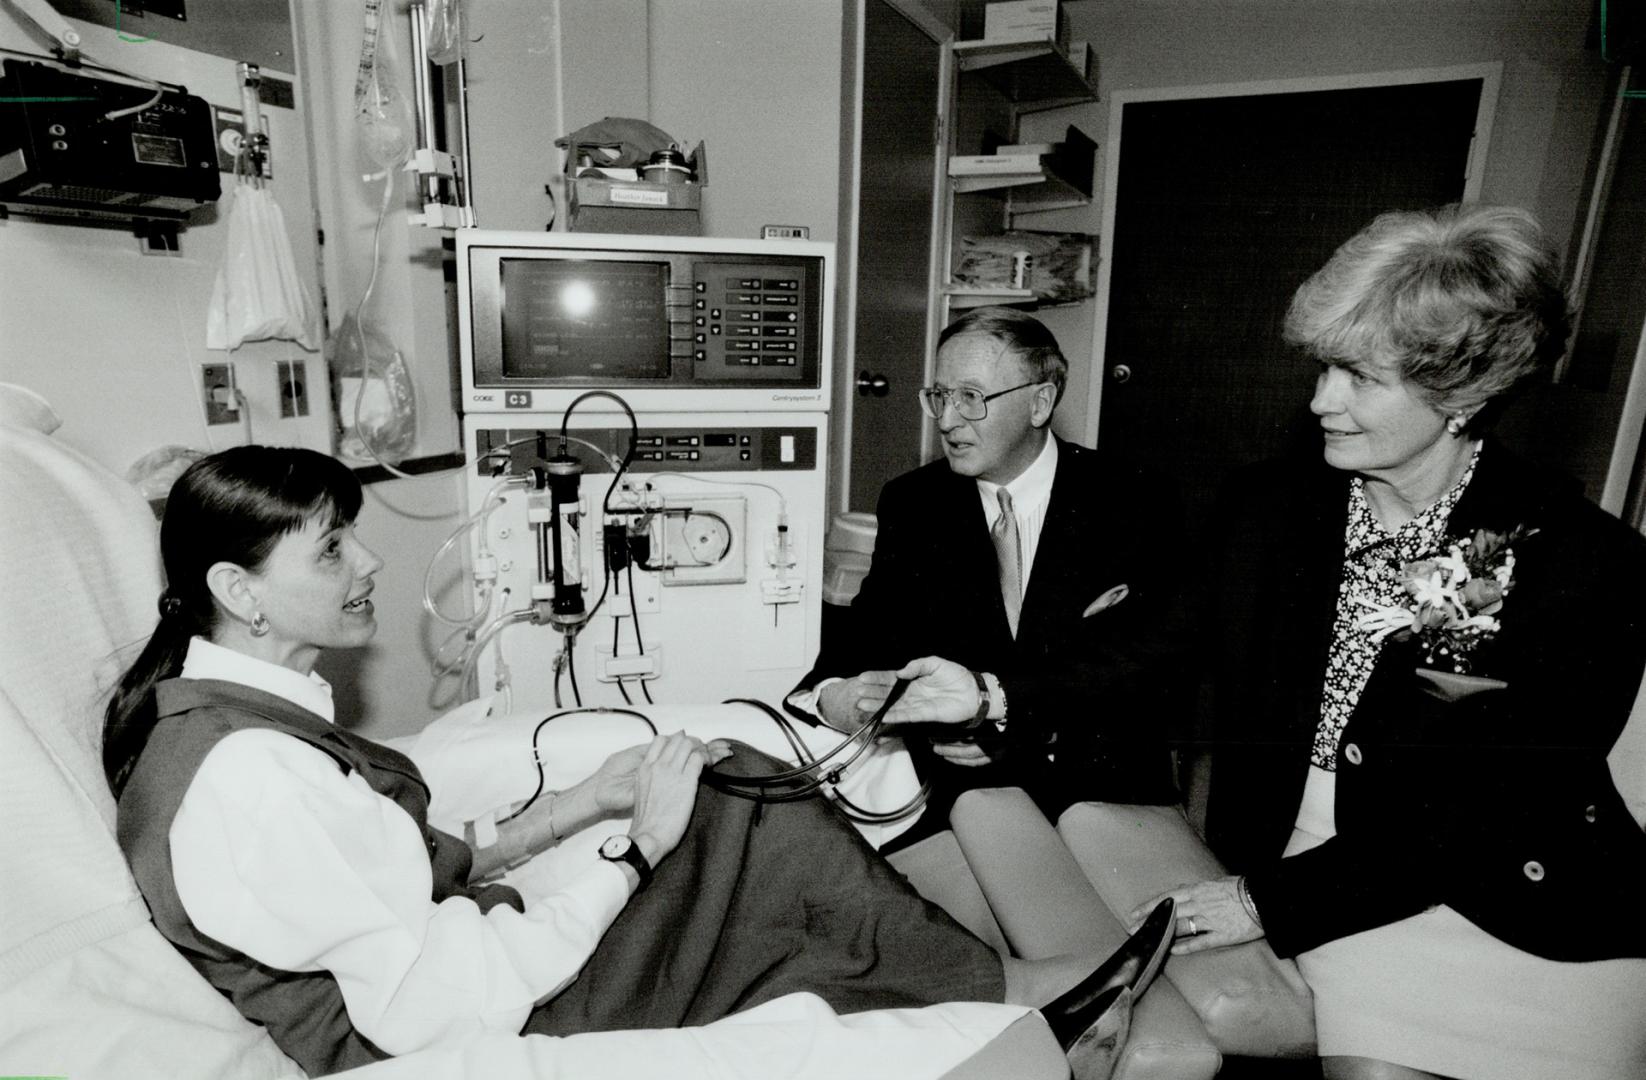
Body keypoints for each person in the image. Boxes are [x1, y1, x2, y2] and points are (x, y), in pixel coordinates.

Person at [104, 445, 1176, 1080]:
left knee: (730, 788)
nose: (370, 562)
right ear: (239, 592)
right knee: (733, 808)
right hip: (468, 1020)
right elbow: (426, 1008)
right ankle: (1016, 1005)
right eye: (330, 548)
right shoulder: (244, 779)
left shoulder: (248, 729)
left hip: (472, 962)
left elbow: (398, 871)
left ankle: (996, 989)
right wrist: (629, 853)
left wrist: (582, 803)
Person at [1132, 205, 1646, 1080]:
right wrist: (987, 691)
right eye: (1325, 367)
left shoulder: (1584, 562)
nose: (1320, 400)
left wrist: (1266, 903)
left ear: (1464, 393)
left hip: (1522, 893)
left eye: (1359, 377)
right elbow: (1148, 650)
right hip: (1334, 873)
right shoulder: (1270, 510)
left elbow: (1503, 804)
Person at [789, 307, 1187, 848]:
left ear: (1039, 402)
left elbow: (1152, 663)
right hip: (960, 793)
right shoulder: (914, 502)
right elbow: (868, 630)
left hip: (1099, 783)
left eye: (971, 398)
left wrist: (1016, 716)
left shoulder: (1137, 500)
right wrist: (832, 692)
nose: (948, 420)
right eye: (940, 396)